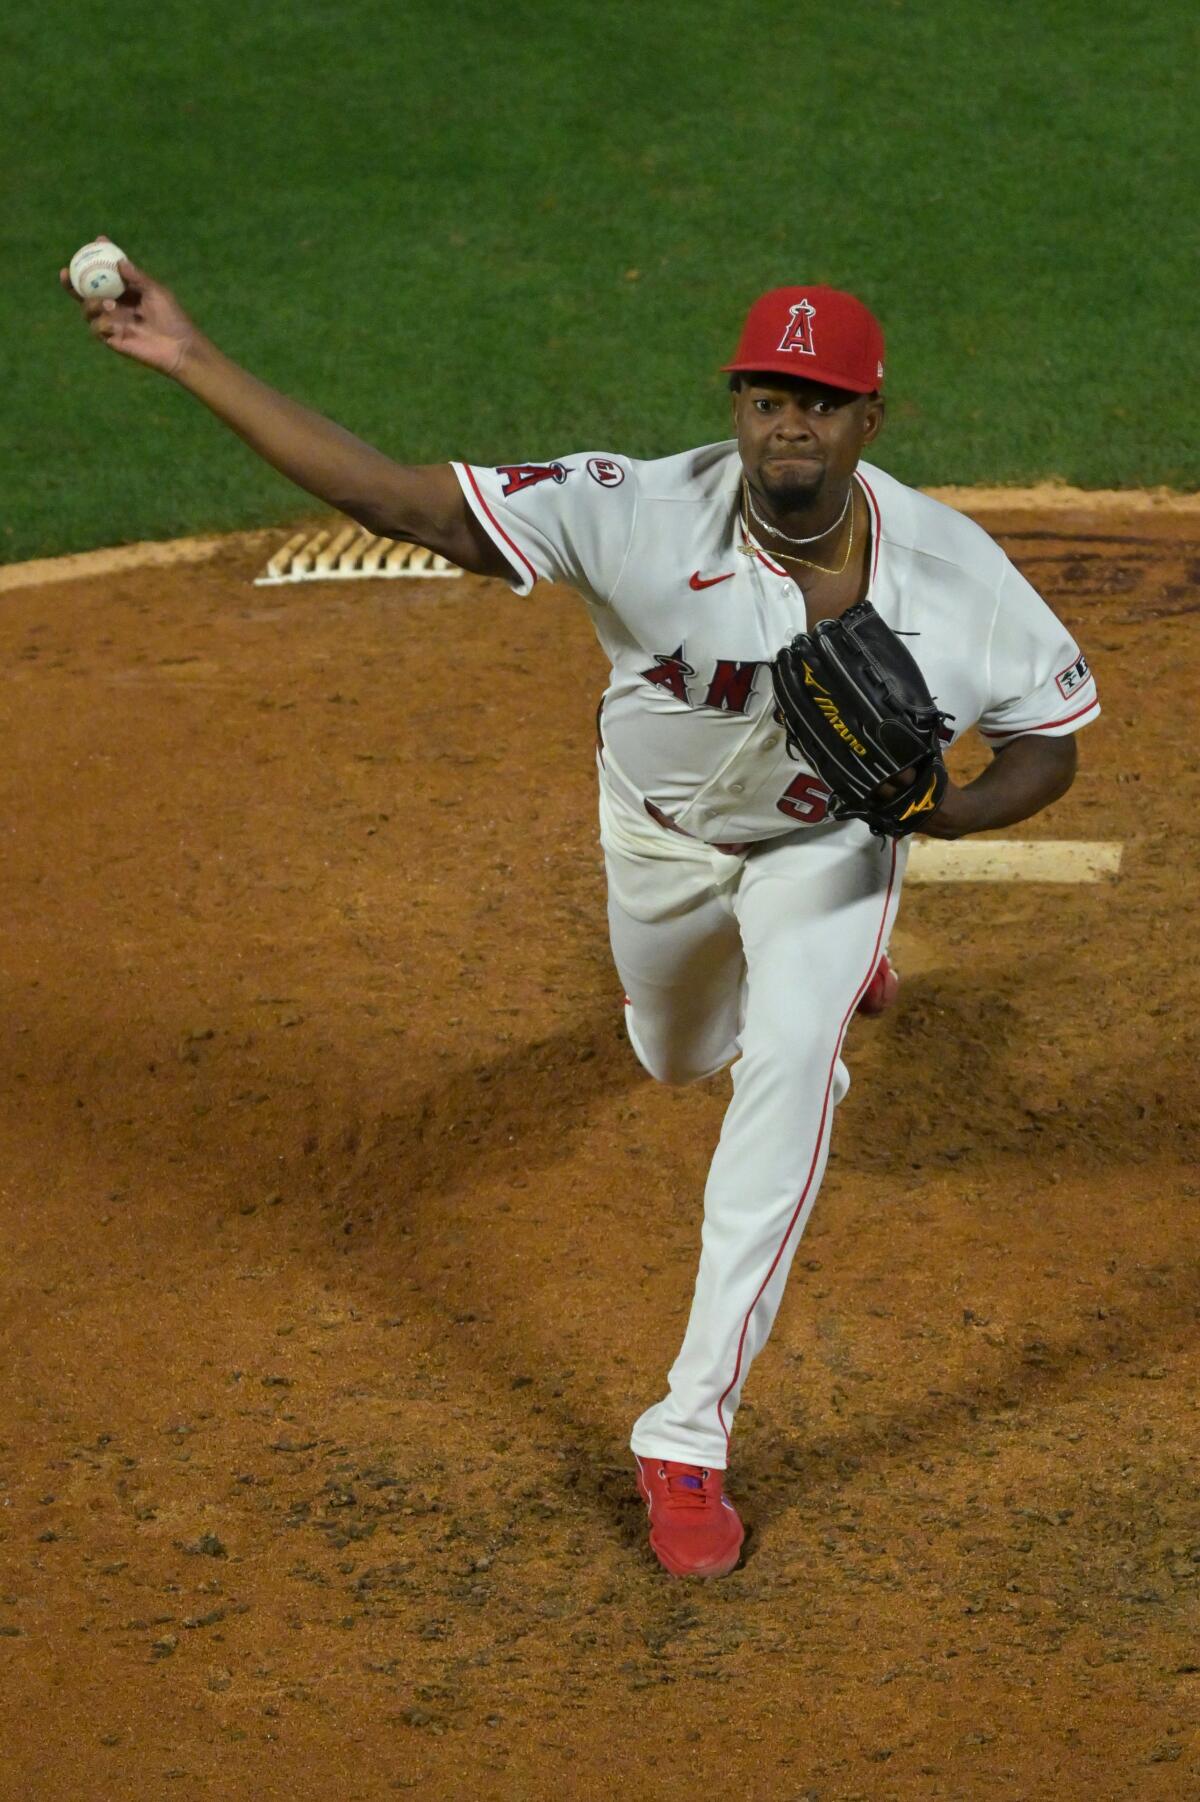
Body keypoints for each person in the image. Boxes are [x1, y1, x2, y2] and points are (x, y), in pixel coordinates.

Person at [62, 255, 1099, 1580]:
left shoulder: (957, 570)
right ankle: (793, 986)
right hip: (656, 836)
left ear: (869, 422)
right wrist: (191, 355)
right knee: (675, 1052)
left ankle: (687, 1436)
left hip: (825, 849)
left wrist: (933, 821)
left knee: (790, 1066)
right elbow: (400, 501)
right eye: (770, 395)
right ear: (735, 402)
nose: (793, 423)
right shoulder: (632, 510)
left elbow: (1049, 741)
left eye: (823, 402)